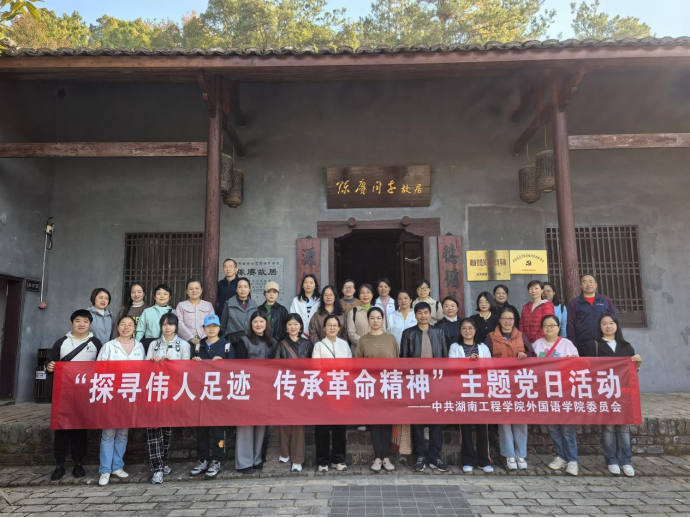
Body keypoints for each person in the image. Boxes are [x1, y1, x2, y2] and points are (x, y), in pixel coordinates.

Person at [45, 309, 103, 481]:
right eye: (78, 321)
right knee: (62, 428)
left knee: (80, 429)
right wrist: (49, 366)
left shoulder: (96, 343)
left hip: (85, 393)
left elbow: (102, 366)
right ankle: (60, 464)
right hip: (64, 392)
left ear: (90, 324)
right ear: (72, 323)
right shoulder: (62, 342)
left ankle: (78, 463)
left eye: (85, 321)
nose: (81, 324)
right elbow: (50, 361)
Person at [585, 314, 642, 477]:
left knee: (624, 428)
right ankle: (611, 460)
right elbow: (589, 369)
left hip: (623, 394)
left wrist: (638, 364)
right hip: (604, 392)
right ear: (599, 327)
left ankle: (626, 461)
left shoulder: (626, 346)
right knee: (608, 427)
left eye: (611, 323)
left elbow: (631, 373)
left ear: (617, 326)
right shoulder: (594, 345)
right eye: (604, 323)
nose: (608, 326)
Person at [96, 315, 146, 486]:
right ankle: (105, 470)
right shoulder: (109, 346)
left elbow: (143, 370)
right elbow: (99, 370)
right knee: (108, 433)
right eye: (123, 324)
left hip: (130, 394)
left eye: (130, 325)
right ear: (117, 327)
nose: (126, 327)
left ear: (134, 328)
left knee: (123, 433)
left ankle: (117, 466)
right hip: (111, 394)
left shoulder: (139, 346)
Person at [400, 302, 449, 473]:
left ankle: (435, 456)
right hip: (416, 382)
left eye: (426, 312)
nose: (423, 316)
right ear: (415, 315)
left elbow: (444, 358)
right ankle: (420, 456)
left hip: (436, 382)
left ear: (430, 314)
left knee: (436, 421)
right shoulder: (408, 333)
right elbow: (404, 360)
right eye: (419, 313)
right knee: (418, 421)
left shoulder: (439, 332)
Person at [486, 307, 535, 471]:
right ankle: (509, 455)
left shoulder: (521, 336)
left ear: (514, 321)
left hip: (519, 383)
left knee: (521, 419)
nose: (507, 321)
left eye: (510, 318)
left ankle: (521, 454)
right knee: (504, 420)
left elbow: (532, 355)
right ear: (499, 320)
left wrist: (525, 356)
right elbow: (486, 358)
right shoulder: (491, 337)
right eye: (504, 318)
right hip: (500, 384)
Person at [145, 313, 192, 484]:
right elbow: (143, 367)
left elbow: (187, 368)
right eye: (164, 324)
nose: (167, 327)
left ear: (176, 326)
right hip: (154, 391)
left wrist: (172, 363)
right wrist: (152, 361)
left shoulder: (184, 345)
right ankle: (157, 467)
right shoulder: (153, 344)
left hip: (173, 391)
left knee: (166, 429)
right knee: (153, 428)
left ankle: (163, 461)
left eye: (170, 324)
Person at [532, 315, 580, 477]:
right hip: (545, 393)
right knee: (553, 428)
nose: (549, 328)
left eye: (552, 325)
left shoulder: (567, 344)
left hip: (564, 392)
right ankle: (561, 456)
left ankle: (572, 459)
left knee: (567, 428)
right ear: (542, 328)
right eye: (546, 325)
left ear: (559, 328)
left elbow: (577, 367)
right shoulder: (536, 345)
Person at [355, 307, 398, 473]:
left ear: (382, 320)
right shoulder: (363, 340)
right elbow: (358, 365)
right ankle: (377, 457)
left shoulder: (391, 339)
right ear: (368, 320)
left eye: (378, 318)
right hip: (371, 386)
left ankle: (386, 457)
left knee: (386, 422)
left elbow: (397, 362)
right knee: (374, 422)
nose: (375, 321)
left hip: (388, 385)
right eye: (372, 318)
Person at [190, 315, 233, 479]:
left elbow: (235, 368)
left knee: (218, 429)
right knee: (201, 429)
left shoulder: (227, 345)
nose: (211, 329)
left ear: (219, 328)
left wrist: (223, 363)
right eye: (208, 326)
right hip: (201, 393)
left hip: (220, 394)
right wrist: (194, 362)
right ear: (204, 328)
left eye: (214, 326)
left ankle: (217, 460)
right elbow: (188, 370)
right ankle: (202, 460)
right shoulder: (197, 346)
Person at [448, 318, 493, 474]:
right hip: (463, 390)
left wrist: (478, 362)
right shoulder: (455, 346)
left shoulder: (483, 347)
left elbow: (489, 366)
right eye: (464, 328)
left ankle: (484, 460)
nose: (467, 331)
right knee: (465, 427)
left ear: (475, 330)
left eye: (470, 328)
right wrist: (468, 361)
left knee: (482, 427)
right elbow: (451, 366)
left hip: (481, 390)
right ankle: (467, 460)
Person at [234, 312, 274, 474]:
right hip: (248, 388)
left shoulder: (272, 343)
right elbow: (239, 367)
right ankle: (244, 462)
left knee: (260, 425)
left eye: (261, 321)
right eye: (255, 322)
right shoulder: (244, 341)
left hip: (265, 390)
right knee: (245, 425)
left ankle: (256, 459)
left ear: (266, 324)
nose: (258, 324)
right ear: (251, 324)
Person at [273, 314, 313, 472]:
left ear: (301, 326)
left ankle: (297, 459)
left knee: (298, 425)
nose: (293, 327)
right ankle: (284, 452)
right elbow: (276, 367)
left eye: (296, 324)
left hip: (302, 389)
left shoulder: (307, 344)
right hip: (285, 387)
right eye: (290, 324)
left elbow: (312, 366)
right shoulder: (280, 345)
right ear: (286, 327)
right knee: (282, 423)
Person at [312, 314, 352, 472]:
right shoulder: (319, 346)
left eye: (335, 325)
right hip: (324, 391)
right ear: (324, 328)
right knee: (322, 428)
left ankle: (338, 459)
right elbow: (316, 367)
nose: (332, 328)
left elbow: (349, 366)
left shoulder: (344, 344)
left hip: (341, 391)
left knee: (339, 428)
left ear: (339, 328)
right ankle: (322, 461)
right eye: (329, 325)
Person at [567, 274, 617, 355]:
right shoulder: (575, 302)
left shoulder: (605, 300)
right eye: (584, 282)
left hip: (604, 342)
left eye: (591, 282)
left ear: (596, 284)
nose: (588, 284)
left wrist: (617, 338)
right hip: (582, 343)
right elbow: (570, 324)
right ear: (581, 286)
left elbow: (614, 320)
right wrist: (572, 343)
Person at [135, 284, 175, 352]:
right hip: (149, 343)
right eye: (159, 294)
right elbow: (140, 330)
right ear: (154, 296)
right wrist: (136, 346)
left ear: (169, 297)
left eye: (165, 294)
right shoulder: (147, 311)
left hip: (169, 344)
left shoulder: (174, 312)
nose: (162, 296)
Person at [175, 278, 214, 349]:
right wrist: (191, 338)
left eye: (197, 288)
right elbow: (179, 323)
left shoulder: (208, 305)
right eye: (191, 289)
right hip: (186, 342)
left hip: (205, 340)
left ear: (201, 290)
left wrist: (204, 338)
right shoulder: (181, 305)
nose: (194, 291)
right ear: (187, 291)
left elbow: (212, 323)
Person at [220, 277, 258, 344]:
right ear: (236, 289)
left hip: (250, 341)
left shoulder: (254, 304)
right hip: (233, 341)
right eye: (240, 287)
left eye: (245, 287)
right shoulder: (229, 304)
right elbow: (223, 325)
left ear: (249, 289)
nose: (243, 289)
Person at [290, 274, 321, 339]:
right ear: (302, 286)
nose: (308, 285)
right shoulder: (296, 300)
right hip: (300, 334)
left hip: (317, 334)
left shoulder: (320, 301)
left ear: (315, 286)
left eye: (311, 283)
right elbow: (292, 317)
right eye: (306, 282)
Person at [346, 284, 375, 349]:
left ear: (372, 295)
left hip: (375, 349)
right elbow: (351, 334)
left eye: (368, 292)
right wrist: (366, 343)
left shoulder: (378, 312)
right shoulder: (352, 312)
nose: (365, 295)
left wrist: (374, 342)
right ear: (359, 296)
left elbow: (383, 330)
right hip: (358, 350)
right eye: (362, 293)